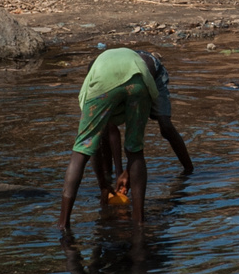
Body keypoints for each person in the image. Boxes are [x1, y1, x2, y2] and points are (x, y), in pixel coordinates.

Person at [59, 47, 193, 234]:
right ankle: (139, 222)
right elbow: (112, 134)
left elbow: (91, 146)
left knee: (80, 151)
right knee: (135, 150)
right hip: (139, 78)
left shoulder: (91, 85)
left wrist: (104, 186)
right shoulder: (118, 58)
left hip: (133, 74)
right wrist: (119, 173)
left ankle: (63, 225)